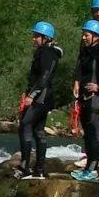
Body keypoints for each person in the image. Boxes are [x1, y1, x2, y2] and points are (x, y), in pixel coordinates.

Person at [15, 22, 62, 180]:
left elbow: (44, 77)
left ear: (46, 38)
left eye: (36, 36)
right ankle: (38, 170)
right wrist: (27, 92)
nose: (33, 39)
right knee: (38, 130)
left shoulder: (47, 53)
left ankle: (25, 167)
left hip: (40, 97)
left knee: (25, 126)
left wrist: (31, 96)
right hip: (43, 97)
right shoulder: (45, 51)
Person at [70, 20, 99, 182]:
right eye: (83, 34)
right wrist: (76, 82)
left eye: (86, 35)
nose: (83, 37)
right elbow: (79, 69)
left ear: (96, 37)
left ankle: (92, 170)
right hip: (84, 98)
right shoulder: (85, 51)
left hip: (97, 99)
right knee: (88, 134)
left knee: (95, 134)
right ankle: (88, 166)